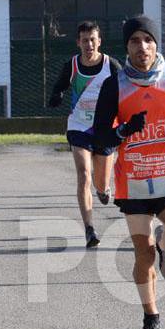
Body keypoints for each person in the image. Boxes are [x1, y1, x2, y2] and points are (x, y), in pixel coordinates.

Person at [92, 16, 165, 329]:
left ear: (156, 43)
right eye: (134, 41)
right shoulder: (115, 84)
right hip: (134, 182)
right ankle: (151, 319)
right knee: (142, 256)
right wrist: (123, 131)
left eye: (147, 40)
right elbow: (100, 135)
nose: (141, 47)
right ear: (126, 47)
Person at [49, 21, 122, 248]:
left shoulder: (112, 65)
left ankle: (104, 189)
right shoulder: (72, 65)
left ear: (99, 41)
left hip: (105, 128)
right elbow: (59, 86)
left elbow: (126, 90)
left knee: (100, 183)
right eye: (84, 40)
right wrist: (57, 96)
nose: (89, 44)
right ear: (78, 42)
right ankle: (89, 229)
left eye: (93, 40)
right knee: (84, 175)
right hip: (79, 126)